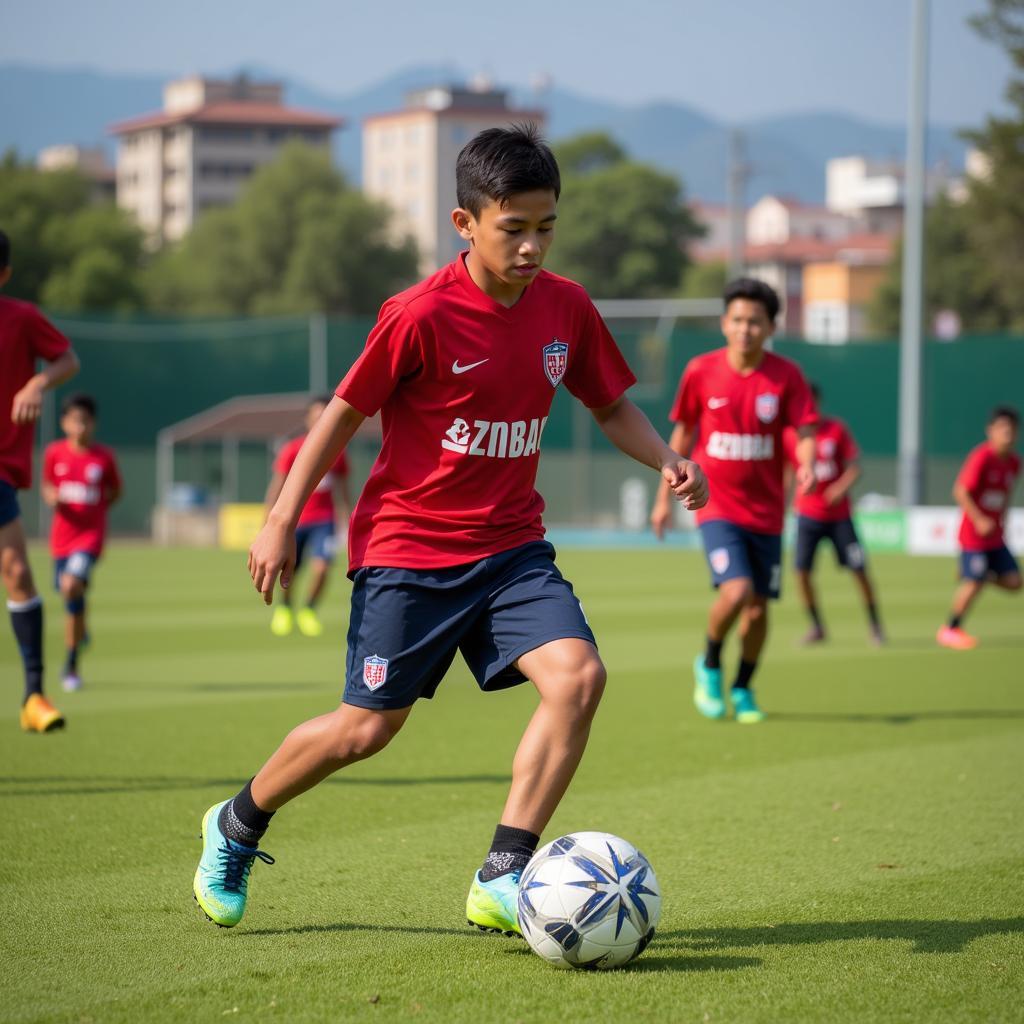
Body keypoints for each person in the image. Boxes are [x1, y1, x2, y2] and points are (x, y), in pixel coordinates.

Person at [191, 125, 708, 933]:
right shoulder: (418, 314)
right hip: (409, 553)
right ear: (465, 223)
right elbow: (340, 416)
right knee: (366, 730)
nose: (533, 246)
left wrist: (665, 458)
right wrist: (281, 518)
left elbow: (609, 404)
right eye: (515, 228)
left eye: (546, 228)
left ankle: (501, 874)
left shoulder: (566, 307)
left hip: (512, 551)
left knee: (578, 678)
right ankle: (235, 823)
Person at [651, 277, 815, 724]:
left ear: (770, 327)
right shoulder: (701, 371)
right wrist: (663, 498)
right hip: (715, 505)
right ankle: (708, 663)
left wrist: (806, 464)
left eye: (755, 322)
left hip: (768, 512)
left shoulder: (786, 376)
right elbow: (681, 435)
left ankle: (742, 687)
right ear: (725, 323)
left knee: (759, 608)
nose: (746, 329)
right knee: (737, 590)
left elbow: (803, 431)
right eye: (738, 320)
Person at [0, 229, 80, 731]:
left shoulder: (22, 318)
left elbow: (67, 359)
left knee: (18, 572)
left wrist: (36, 382)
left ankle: (33, 695)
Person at [783, 383, 884, 646]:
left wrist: (840, 488)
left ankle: (875, 625)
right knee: (801, 572)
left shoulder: (836, 430)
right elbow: (786, 474)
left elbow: (855, 468)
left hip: (839, 517)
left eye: (810, 402)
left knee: (859, 570)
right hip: (807, 516)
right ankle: (816, 626)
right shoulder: (789, 435)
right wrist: (781, 504)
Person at [41, 394, 122, 691]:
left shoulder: (103, 458)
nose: (80, 427)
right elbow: (48, 484)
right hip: (61, 539)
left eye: (85, 421)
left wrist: (95, 512)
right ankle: (82, 631)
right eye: (75, 421)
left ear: (93, 424)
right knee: (70, 596)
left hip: (89, 539)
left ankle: (71, 664)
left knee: (70, 585)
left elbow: (115, 491)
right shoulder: (54, 453)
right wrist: (51, 496)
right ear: (64, 423)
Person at [266, 396, 351, 638]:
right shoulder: (292, 449)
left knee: (322, 568)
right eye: (316, 416)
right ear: (308, 418)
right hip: (296, 520)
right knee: (289, 571)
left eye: (325, 416)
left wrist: (347, 524)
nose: (320, 421)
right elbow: (277, 487)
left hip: (325, 520)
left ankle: (309, 610)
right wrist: (269, 522)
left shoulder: (338, 452)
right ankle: (285, 608)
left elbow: (343, 491)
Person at [937, 406, 1020, 650]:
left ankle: (975, 574)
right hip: (973, 535)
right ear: (990, 431)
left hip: (995, 536)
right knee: (974, 583)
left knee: (1015, 582)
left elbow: (1005, 495)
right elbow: (960, 491)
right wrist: (979, 519)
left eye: (1012, 429)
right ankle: (950, 629)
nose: (1008, 433)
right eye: (1003, 428)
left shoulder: (1014, 463)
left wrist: (1002, 520)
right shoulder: (982, 457)